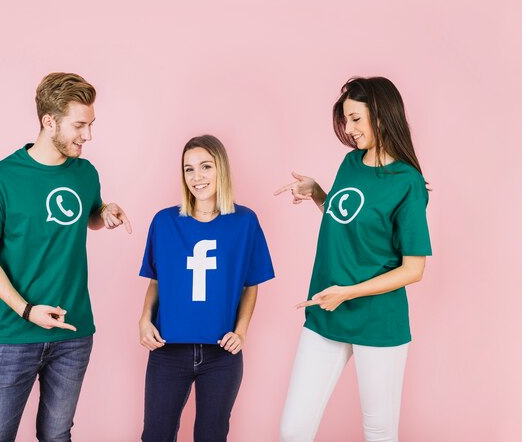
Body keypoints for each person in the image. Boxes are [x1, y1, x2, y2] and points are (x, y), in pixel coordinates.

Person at [0, 72, 132, 442]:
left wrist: (104, 212)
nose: (87, 135)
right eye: (79, 125)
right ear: (49, 121)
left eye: (91, 125)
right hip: (15, 333)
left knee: (57, 435)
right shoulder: (0, 179)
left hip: (74, 334)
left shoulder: (85, 172)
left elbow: (88, 215)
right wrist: (27, 310)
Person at [276, 76, 432, 442]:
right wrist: (318, 194)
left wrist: (347, 292)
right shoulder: (350, 163)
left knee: (379, 432)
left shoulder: (406, 183)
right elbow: (347, 224)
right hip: (326, 311)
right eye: (346, 120)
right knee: (292, 429)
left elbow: (414, 269)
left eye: (356, 119)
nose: (349, 129)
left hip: (378, 322)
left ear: (381, 115)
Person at [138, 134, 275, 442]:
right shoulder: (164, 221)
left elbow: (250, 285)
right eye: (188, 169)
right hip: (168, 350)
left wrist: (240, 332)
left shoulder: (244, 222)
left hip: (221, 354)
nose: (197, 177)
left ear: (221, 170)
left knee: (211, 435)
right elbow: (156, 280)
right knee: (156, 435)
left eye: (205, 167)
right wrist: (144, 319)